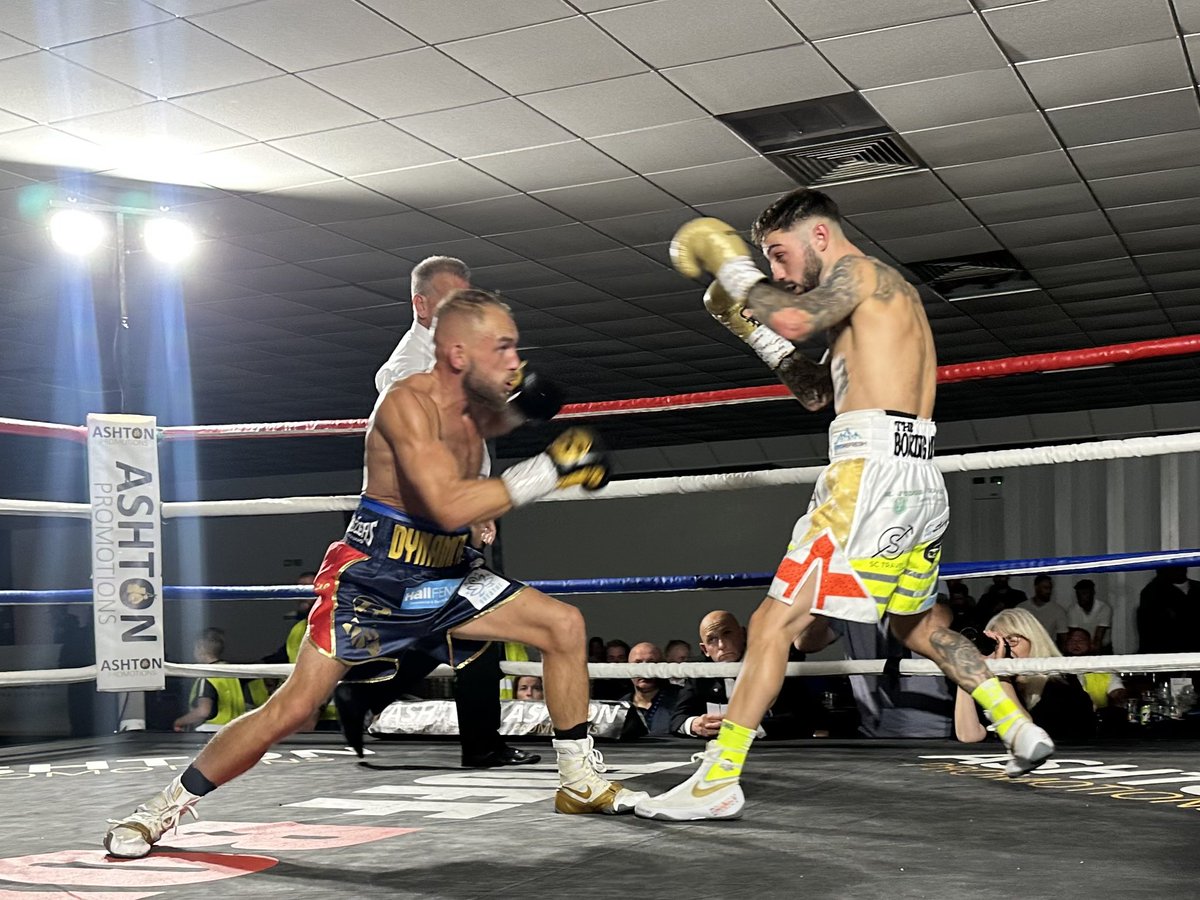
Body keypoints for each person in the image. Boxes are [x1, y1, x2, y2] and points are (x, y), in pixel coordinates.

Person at [104, 289, 646, 859]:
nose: (517, 361)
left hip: (449, 575)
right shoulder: (403, 405)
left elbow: (476, 479)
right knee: (294, 708)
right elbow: (445, 505)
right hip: (377, 580)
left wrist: (525, 423)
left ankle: (578, 782)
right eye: (503, 347)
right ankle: (159, 809)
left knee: (562, 625)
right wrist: (551, 469)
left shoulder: (473, 407)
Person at [635, 191, 1054, 821]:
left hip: (868, 480)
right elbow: (812, 387)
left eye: (779, 254)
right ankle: (1015, 723)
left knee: (774, 624)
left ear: (821, 236)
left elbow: (798, 320)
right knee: (918, 627)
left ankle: (718, 778)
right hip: (916, 480)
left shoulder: (861, 272)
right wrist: (746, 325)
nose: (777, 271)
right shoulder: (883, 303)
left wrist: (730, 264)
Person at [336, 256, 539, 769]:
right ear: (421, 305)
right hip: (421, 520)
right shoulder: (406, 368)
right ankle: (369, 696)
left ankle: (371, 697)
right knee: (472, 619)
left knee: (457, 623)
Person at [669, 610, 821, 740]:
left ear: (742, 634)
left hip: (777, 751)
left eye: (727, 633)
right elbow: (677, 718)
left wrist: (749, 728)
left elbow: (806, 717)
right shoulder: (699, 670)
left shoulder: (773, 660)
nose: (722, 645)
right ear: (705, 650)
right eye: (712, 639)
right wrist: (694, 724)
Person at [954, 610, 1095, 745]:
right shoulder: (991, 684)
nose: (1004, 649)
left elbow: (1023, 733)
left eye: (1011, 641)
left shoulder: (1060, 682)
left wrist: (1002, 673)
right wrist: (967, 672)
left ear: (1034, 640)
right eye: (997, 642)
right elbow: (969, 736)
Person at [174, 629, 269, 733]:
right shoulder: (231, 673)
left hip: (209, 731)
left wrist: (180, 721)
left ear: (200, 647)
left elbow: (203, 711)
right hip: (233, 729)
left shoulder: (207, 675)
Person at [620, 642, 680, 736]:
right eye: (637, 663)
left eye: (651, 663)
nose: (644, 670)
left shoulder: (680, 699)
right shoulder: (621, 707)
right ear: (628, 668)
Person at [1017, 574, 1068, 649]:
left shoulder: (1058, 610)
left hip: (1048, 652)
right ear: (1036, 587)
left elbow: (1063, 637)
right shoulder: (1021, 608)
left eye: (1050, 588)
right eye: (1045, 588)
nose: (1048, 591)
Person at [1066, 579, 1113, 653]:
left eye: (1084, 593)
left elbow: (1098, 637)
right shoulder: (1072, 609)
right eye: (1078, 594)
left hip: (1102, 648)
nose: (1081, 597)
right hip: (1081, 648)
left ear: (1093, 593)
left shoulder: (1104, 608)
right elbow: (1075, 634)